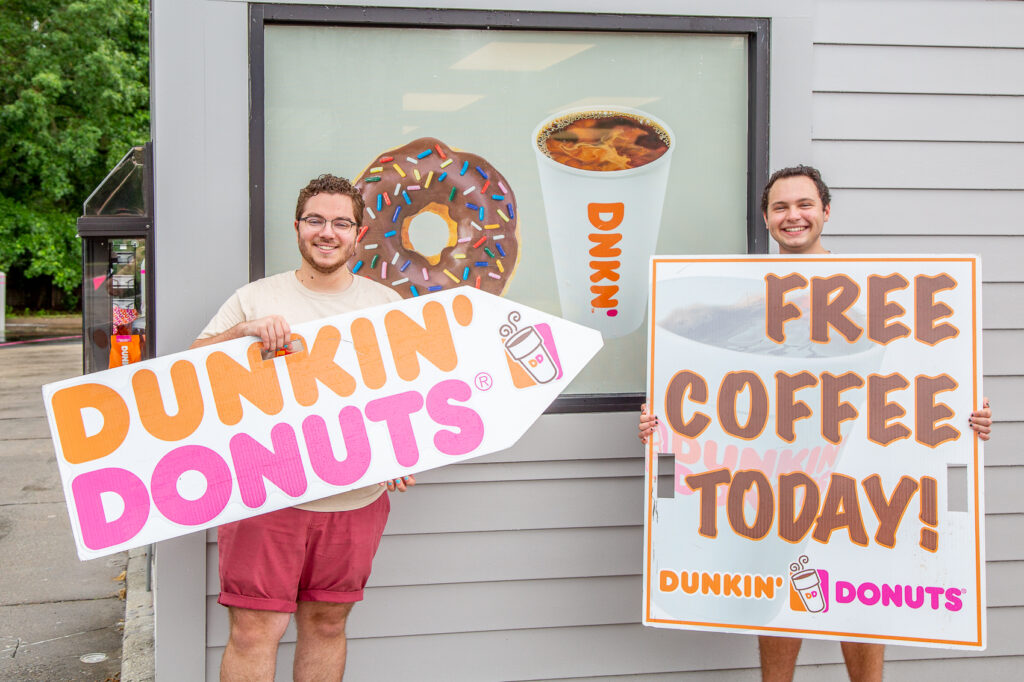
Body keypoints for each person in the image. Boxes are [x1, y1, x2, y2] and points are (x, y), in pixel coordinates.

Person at [638, 165, 994, 682]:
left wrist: (965, 417)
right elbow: (703, 372)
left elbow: (921, 362)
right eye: (780, 207)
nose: (793, 216)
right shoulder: (749, 291)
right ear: (766, 219)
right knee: (779, 585)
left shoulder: (868, 286)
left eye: (804, 204)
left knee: (860, 589)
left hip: (855, 457)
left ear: (826, 211)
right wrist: (661, 421)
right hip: (776, 460)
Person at [191, 174, 415, 682]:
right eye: (315, 220)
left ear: (358, 233)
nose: (327, 232)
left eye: (341, 223)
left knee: (328, 624)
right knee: (254, 632)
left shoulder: (386, 305)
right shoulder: (255, 298)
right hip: (266, 498)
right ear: (297, 227)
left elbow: (409, 393)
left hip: (355, 500)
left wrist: (407, 449)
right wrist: (243, 333)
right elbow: (188, 372)